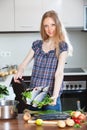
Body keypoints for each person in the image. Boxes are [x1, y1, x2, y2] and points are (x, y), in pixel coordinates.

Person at [14, 10, 73, 111]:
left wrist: (54, 96)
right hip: (34, 98)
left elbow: (59, 73)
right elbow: (23, 64)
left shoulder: (62, 46)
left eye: (52, 25)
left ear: (58, 25)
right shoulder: (37, 45)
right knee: (31, 126)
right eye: (46, 26)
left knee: (51, 126)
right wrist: (19, 72)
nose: (49, 29)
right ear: (43, 27)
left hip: (50, 98)